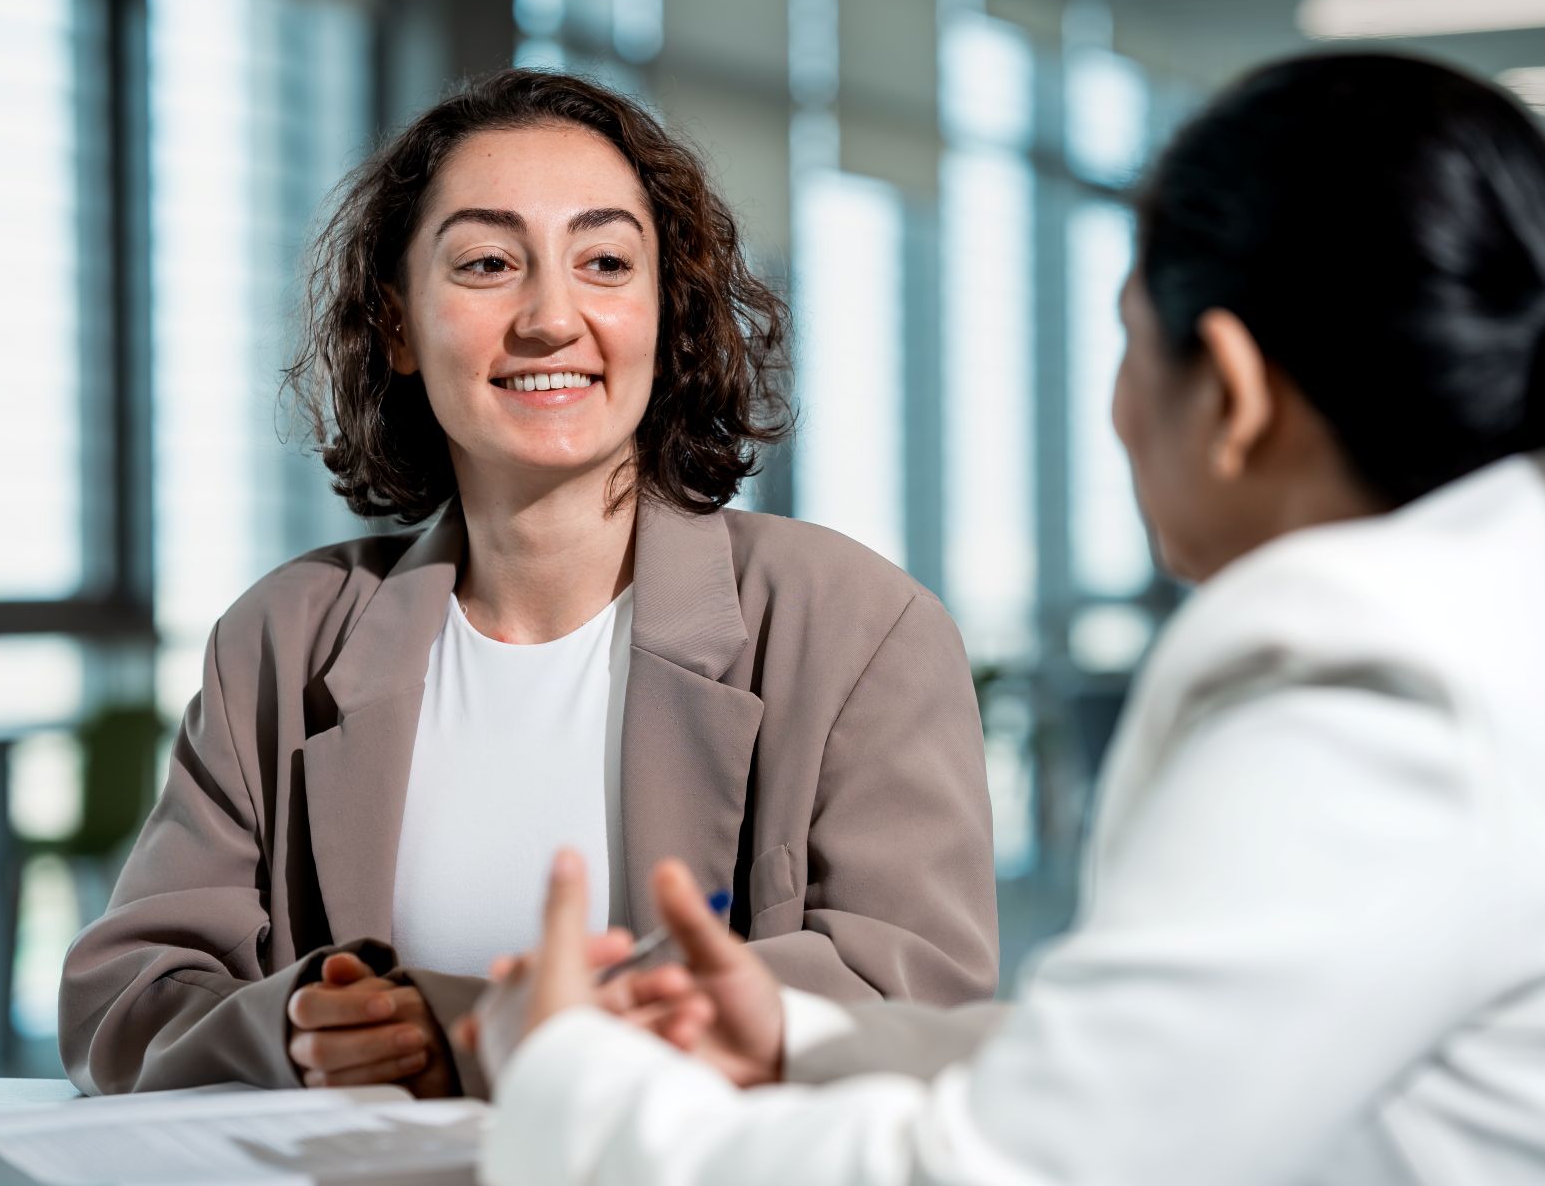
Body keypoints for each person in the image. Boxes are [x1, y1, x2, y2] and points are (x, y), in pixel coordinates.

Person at [473, 52, 1545, 1184]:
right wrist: (804, 1036)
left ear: (1233, 392)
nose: (1119, 410)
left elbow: (1013, 1171)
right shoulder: (1512, 625)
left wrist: (569, 1076)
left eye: (1130, 345)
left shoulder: (1384, 698)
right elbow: (1176, 1053)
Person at [57, 69, 998, 1099]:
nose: (552, 317)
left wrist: (478, 1029)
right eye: (488, 262)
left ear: (666, 314)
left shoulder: (861, 628)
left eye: (604, 261)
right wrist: (295, 1023)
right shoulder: (281, 640)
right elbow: (124, 998)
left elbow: (922, 999)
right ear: (399, 325)